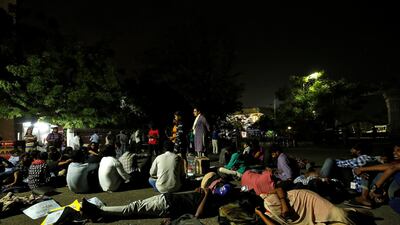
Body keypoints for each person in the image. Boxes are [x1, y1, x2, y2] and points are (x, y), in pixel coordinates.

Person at [81, 186, 227, 222]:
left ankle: (99, 210)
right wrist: (199, 192)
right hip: (165, 198)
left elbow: (198, 215)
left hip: (166, 206)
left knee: (133, 208)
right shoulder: (209, 198)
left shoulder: (212, 206)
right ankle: (98, 211)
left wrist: (206, 195)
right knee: (135, 205)